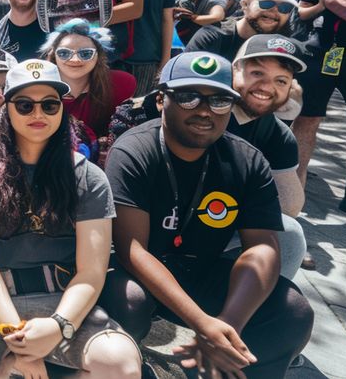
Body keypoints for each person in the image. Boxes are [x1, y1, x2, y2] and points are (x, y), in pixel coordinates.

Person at [102, 52, 314, 379]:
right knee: (129, 302)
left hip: (201, 269)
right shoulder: (134, 151)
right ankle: (128, 365)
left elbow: (262, 247)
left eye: (219, 101)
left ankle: (227, 368)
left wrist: (228, 324)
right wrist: (202, 323)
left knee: (292, 311)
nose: (204, 110)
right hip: (138, 274)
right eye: (188, 97)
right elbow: (132, 251)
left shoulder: (247, 160)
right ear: (161, 100)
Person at [0, 60, 141, 379]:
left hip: (63, 300)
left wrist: (59, 326)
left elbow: (91, 271)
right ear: (8, 108)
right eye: (25, 104)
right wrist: (14, 336)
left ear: (62, 109)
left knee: (121, 365)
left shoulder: (88, 176)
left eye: (49, 104)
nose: (38, 114)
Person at [226, 35, 310, 275]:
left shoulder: (277, 133)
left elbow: (291, 205)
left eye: (280, 80)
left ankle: (259, 303)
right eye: (257, 73)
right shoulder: (205, 108)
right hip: (167, 218)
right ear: (236, 68)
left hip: (225, 219)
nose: (266, 87)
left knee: (290, 233)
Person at [294, 0, 346, 222]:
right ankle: (294, 196)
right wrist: (323, 3)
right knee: (307, 122)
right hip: (322, 55)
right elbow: (302, 13)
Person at [41, 19, 136, 142]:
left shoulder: (120, 84)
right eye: (64, 53)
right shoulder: (38, 88)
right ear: (54, 56)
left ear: (98, 56)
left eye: (85, 53)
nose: (75, 59)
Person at [187, 0, 299, 61]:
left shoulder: (289, 46)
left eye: (285, 7)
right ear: (245, 5)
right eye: (266, 3)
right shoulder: (213, 37)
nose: (274, 10)